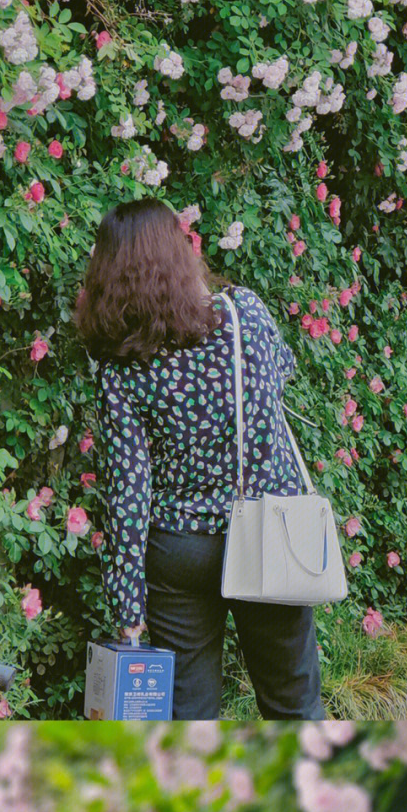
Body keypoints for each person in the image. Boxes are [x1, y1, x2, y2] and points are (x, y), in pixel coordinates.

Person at [74, 198, 325, 720]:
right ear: (180, 255)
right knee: (293, 703)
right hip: (266, 534)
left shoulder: (123, 369)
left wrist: (128, 610)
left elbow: (128, 495)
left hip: (179, 551)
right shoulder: (244, 315)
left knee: (190, 713)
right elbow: (282, 372)